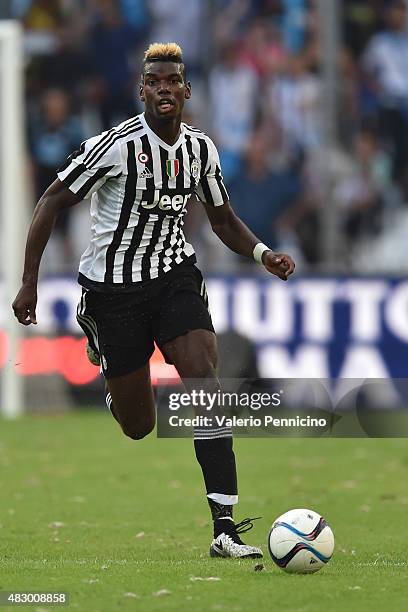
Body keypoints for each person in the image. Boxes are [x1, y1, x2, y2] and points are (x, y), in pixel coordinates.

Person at [12, 43, 295, 559]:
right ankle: (111, 373)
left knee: (204, 382)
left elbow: (222, 219)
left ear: (186, 91)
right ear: (142, 90)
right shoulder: (115, 147)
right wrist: (29, 281)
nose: (164, 89)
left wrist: (261, 253)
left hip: (173, 279)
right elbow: (51, 199)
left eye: (173, 82)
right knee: (138, 426)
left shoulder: (201, 150)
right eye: (154, 82)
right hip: (113, 292)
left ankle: (225, 529)